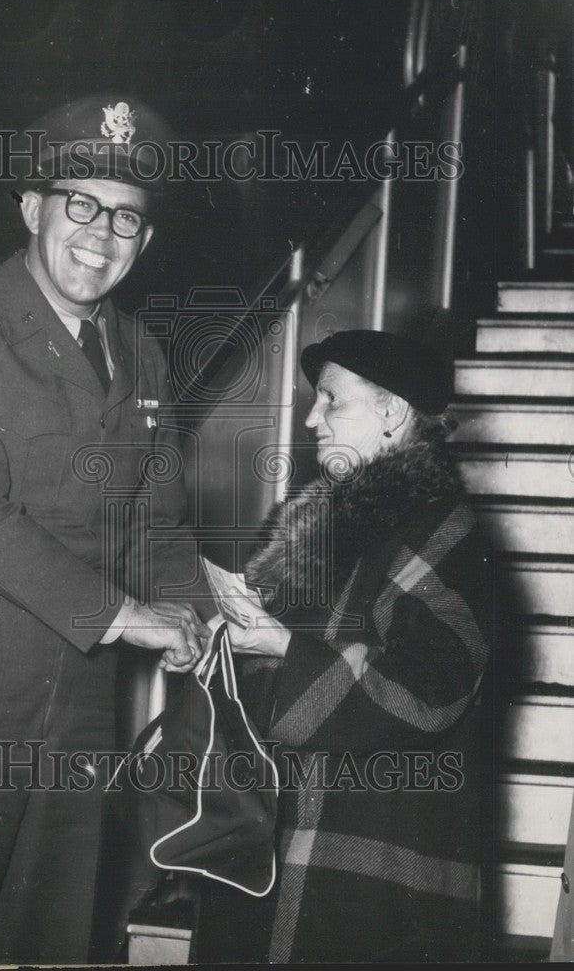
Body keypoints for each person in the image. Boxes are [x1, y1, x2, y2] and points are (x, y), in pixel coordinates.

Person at [0, 94, 212, 963]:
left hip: (83, 694)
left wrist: (193, 616)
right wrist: (133, 619)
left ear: (147, 241)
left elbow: (155, 523)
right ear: (32, 208)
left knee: (48, 939)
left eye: (126, 219)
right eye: (80, 204)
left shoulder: (142, 354)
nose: (101, 234)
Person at [197, 330, 495, 963]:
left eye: (330, 399)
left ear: (392, 413)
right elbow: (286, 663)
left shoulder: (445, 530)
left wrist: (281, 645)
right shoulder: (318, 522)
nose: (310, 419)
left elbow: (427, 694)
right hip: (278, 828)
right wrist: (217, 645)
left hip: (368, 836)